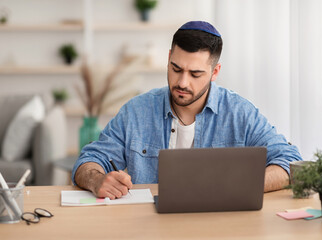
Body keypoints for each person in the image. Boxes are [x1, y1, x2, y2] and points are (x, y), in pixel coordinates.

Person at [72, 21, 303, 199]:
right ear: (169, 58)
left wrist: (237, 185)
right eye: (176, 68)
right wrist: (98, 180)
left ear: (215, 72)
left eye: (195, 74)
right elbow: (89, 160)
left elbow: (290, 162)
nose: (182, 82)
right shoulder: (136, 111)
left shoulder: (240, 113)